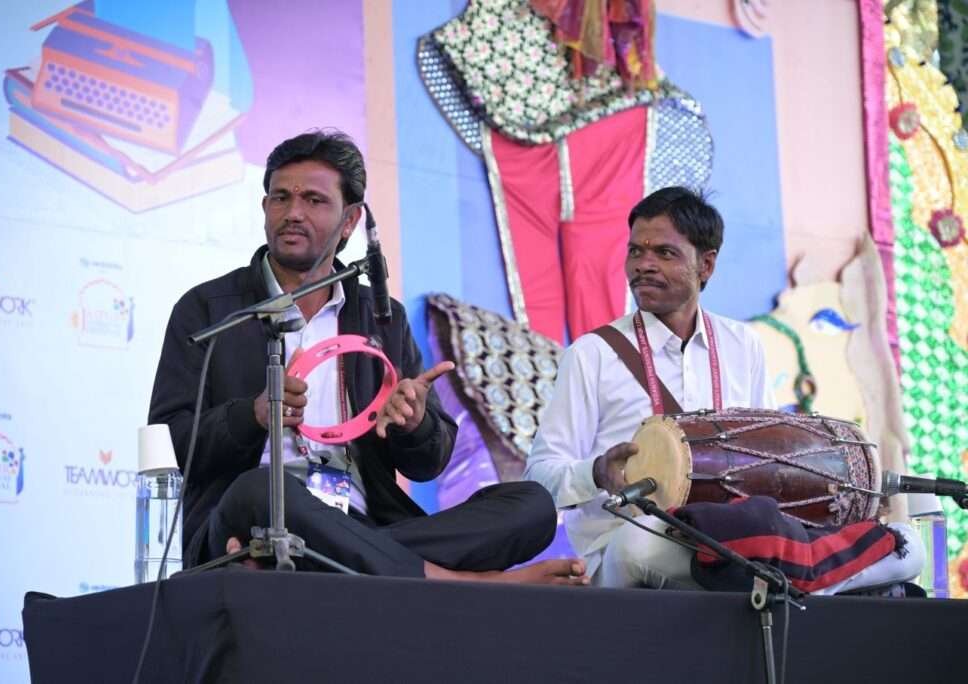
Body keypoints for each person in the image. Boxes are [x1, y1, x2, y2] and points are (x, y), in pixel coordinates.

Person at [149, 129, 586, 585]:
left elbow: (428, 462)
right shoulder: (209, 309)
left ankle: (346, 562)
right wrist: (252, 416)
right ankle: (461, 584)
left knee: (531, 505)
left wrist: (414, 424)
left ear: (350, 220)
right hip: (250, 517)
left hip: (362, 520)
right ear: (264, 208)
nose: (293, 212)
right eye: (280, 198)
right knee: (265, 490)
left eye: (314, 200)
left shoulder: (381, 317)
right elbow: (170, 444)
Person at [524, 186, 774, 589]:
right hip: (622, 548)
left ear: (706, 264)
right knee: (640, 544)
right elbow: (539, 479)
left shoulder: (743, 346)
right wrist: (595, 472)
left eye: (664, 253)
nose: (644, 265)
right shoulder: (593, 354)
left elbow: (767, 458)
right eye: (635, 251)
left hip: (723, 540)